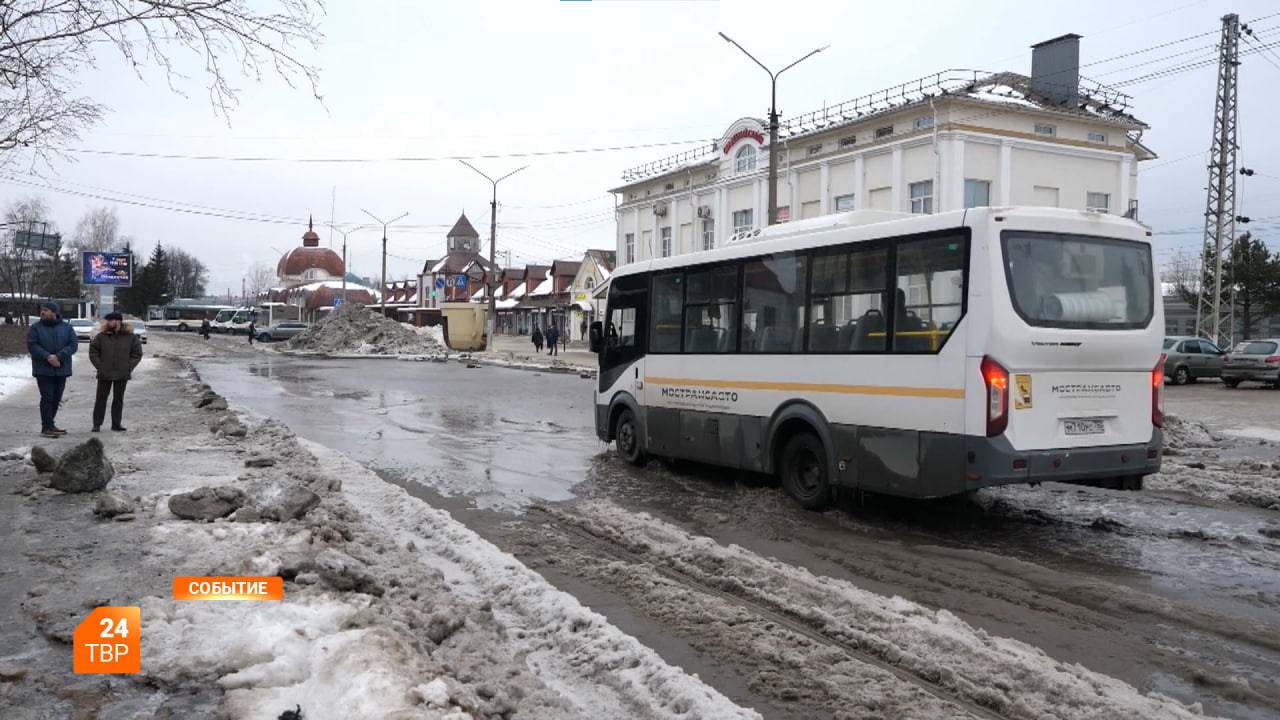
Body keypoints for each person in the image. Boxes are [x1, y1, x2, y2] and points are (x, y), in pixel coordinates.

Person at [26, 302, 77, 438]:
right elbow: (32, 345)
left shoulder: (67, 328)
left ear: (54, 312)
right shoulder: (35, 328)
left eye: (46, 310)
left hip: (62, 369)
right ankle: (46, 426)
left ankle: (51, 424)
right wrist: (48, 357)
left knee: (56, 398)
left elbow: (73, 345)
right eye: (42, 310)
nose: (42, 312)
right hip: (43, 369)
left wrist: (59, 356)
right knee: (47, 397)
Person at [88, 312, 143, 432]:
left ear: (118, 321)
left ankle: (116, 424)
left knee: (118, 400)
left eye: (111, 320)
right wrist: (100, 366)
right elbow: (93, 352)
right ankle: (97, 424)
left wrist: (129, 366)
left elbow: (137, 354)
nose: (108, 323)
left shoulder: (130, 337)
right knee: (101, 399)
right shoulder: (101, 336)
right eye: (108, 320)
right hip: (104, 373)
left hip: (122, 373)